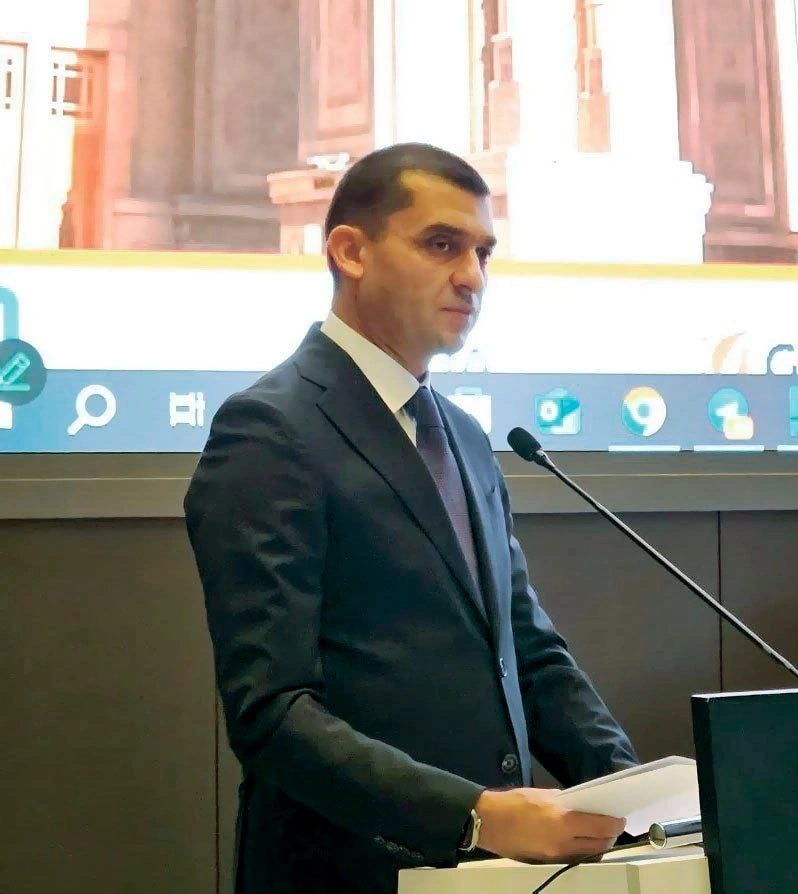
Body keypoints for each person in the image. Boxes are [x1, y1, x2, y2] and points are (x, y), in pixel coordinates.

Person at [184, 142, 637, 894]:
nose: (472, 277)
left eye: (483, 253)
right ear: (350, 251)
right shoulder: (269, 430)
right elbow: (272, 712)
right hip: (350, 875)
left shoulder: (463, 435)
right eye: (440, 245)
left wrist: (637, 798)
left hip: (496, 878)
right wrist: (474, 816)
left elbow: (528, 654)